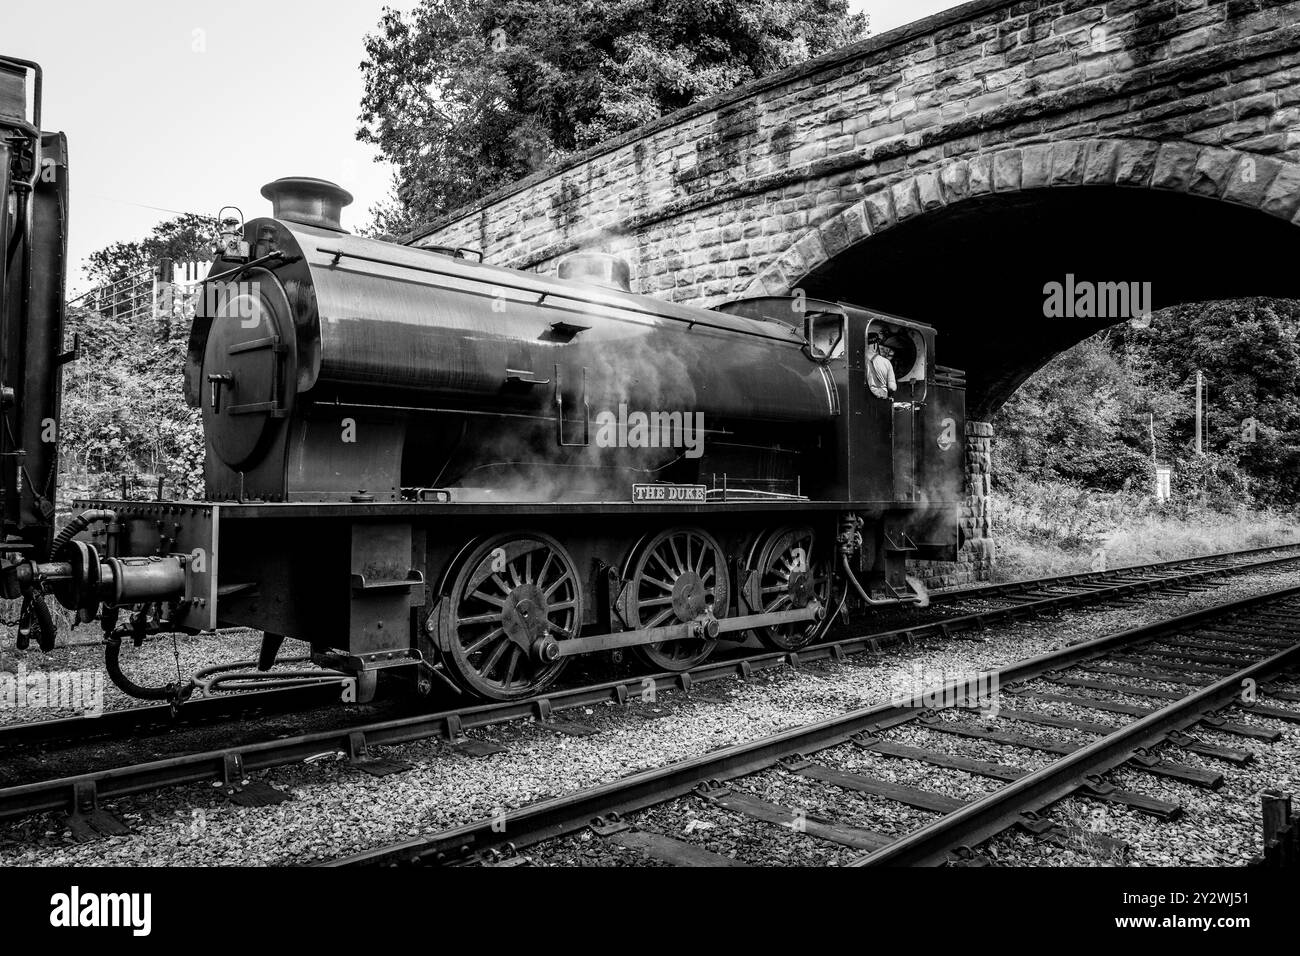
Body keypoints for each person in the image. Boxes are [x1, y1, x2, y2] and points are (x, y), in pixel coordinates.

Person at [866, 332, 897, 400]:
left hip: (863, 399)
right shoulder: (886, 362)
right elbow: (892, 387)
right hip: (880, 400)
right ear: (875, 345)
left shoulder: (858, 360)